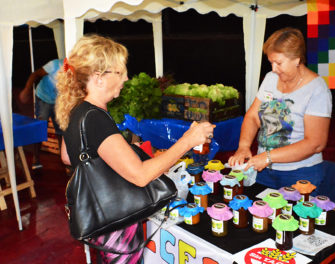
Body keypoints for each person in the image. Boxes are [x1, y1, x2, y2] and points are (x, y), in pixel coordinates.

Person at [55, 34, 215, 263]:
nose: (126, 78)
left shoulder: (77, 110)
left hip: (100, 218)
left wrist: (122, 149)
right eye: (120, 72)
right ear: (99, 78)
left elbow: (68, 157)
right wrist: (188, 140)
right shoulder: (95, 118)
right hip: (116, 226)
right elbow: (141, 176)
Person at [228, 27, 332, 193]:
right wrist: (244, 146)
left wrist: (268, 157)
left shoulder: (317, 89)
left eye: (279, 63)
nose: (274, 68)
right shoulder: (270, 79)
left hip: (300, 174)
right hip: (264, 170)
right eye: (271, 62)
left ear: (297, 59)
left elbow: (315, 143)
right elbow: (253, 116)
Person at [19, 58, 63, 169]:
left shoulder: (77, 70)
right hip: (43, 98)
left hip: (59, 101)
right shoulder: (55, 64)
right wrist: (27, 90)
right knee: (40, 127)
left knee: (61, 130)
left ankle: (64, 159)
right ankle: (36, 159)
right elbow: (35, 75)